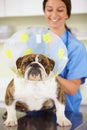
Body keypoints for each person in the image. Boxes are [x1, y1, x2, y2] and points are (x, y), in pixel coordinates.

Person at [43, 0, 87, 112]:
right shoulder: (36, 43)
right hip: (36, 114)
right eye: (49, 9)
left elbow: (72, 89)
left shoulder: (76, 48)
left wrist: (47, 73)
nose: (54, 14)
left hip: (65, 115)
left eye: (60, 10)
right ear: (44, 12)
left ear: (67, 14)